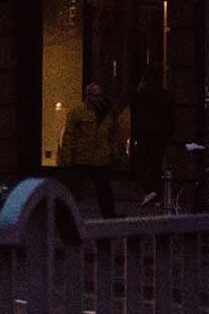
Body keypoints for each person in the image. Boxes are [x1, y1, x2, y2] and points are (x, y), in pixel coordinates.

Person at [60, 82, 118, 218]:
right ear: (88, 96)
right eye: (96, 95)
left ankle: (109, 216)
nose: (99, 98)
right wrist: (67, 157)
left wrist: (113, 153)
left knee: (104, 191)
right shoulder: (77, 112)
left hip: (101, 159)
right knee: (75, 191)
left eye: (100, 95)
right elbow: (69, 136)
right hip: (81, 158)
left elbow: (113, 135)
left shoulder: (108, 114)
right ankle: (69, 217)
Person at [130, 71, 175, 206]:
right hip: (159, 136)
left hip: (145, 136)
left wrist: (136, 134)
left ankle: (150, 191)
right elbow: (171, 118)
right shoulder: (165, 96)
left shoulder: (141, 96)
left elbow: (136, 115)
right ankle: (156, 193)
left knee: (144, 163)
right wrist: (167, 134)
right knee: (155, 163)